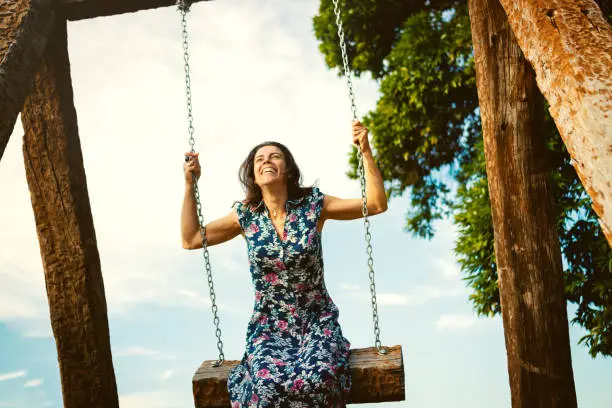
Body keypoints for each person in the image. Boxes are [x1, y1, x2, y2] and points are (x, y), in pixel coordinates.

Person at [181, 121, 388, 407]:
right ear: (253, 173)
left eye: (275, 156)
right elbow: (191, 238)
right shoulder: (246, 216)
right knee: (266, 386)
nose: (266, 160)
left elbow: (375, 204)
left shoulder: (315, 205)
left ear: (287, 169)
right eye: (259, 159)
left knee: (318, 379)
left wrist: (365, 150)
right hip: (269, 327)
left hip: (317, 322)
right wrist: (190, 184)